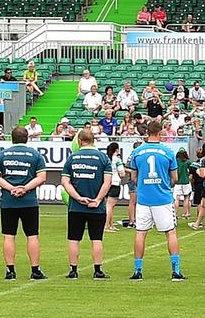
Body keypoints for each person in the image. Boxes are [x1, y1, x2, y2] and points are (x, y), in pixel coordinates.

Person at [125, 119, 184, 280]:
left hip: (144, 198)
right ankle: (176, 271)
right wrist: (165, 185)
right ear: (160, 133)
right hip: (163, 198)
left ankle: (138, 271)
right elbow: (175, 177)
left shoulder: (137, 152)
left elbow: (134, 176)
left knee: (140, 233)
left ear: (147, 132)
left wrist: (145, 185)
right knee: (170, 232)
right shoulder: (167, 152)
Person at [0, 126, 48, 280]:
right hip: (29, 201)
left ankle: (10, 271)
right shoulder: (35, 155)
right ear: (27, 138)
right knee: (32, 236)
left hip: (8, 201)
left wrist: (11, 188)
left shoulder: (2, 155)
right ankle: (35, 270)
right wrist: (25, 189)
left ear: (12, 138)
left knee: (9, 235)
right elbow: (42, 177)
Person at [61, 128, 112, 279]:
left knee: (74, 238)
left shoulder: (72, 158)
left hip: (76, 207)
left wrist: (78, 198)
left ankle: (73, 270)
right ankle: (97, 270)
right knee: (96, 239)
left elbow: (65, 182)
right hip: (97, 207)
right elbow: (107, 182)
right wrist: (97, 199)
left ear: (79, 141)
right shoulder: (103, 158)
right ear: (93, 140)